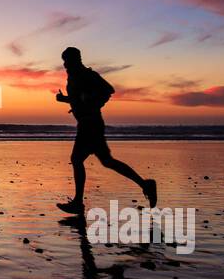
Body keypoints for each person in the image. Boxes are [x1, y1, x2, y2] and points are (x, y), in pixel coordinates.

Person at [54, 46, 156, 214]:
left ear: (76, 59)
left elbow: (108, 90)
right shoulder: (73, 77)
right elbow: (79, 98)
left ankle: (78, 202)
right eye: (64, 61)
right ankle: (145, 185)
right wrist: (65, 99)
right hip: (87, 123)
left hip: (90, 123)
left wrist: (92, 100)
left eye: (68, 60)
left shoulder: (87, 75)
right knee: (107, 161)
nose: (65, 64)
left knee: (77, 159)